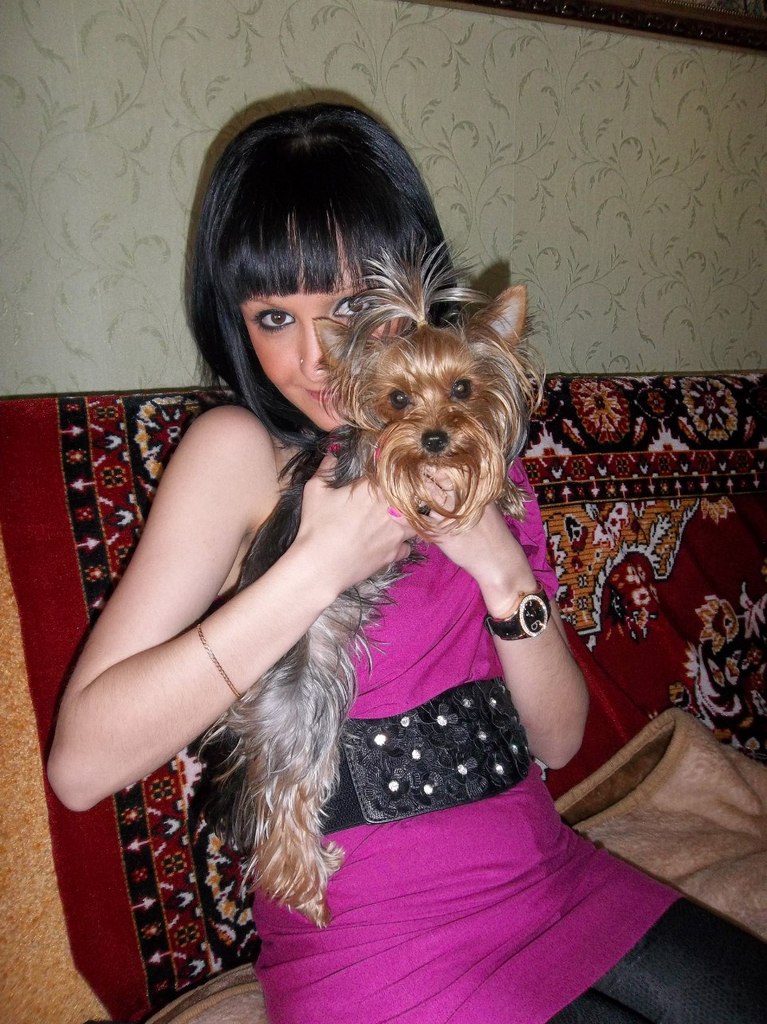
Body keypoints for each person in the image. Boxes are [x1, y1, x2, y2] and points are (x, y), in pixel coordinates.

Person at [47, 102, 766, 1024]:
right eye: (274, 316)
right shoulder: (238, 453)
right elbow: (81, 767)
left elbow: (557, 741)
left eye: (351, 308)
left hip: (548, 873)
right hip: (374, 935)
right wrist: (317, 565)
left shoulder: (465, 447)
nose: (317, 358)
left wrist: (501, 568)